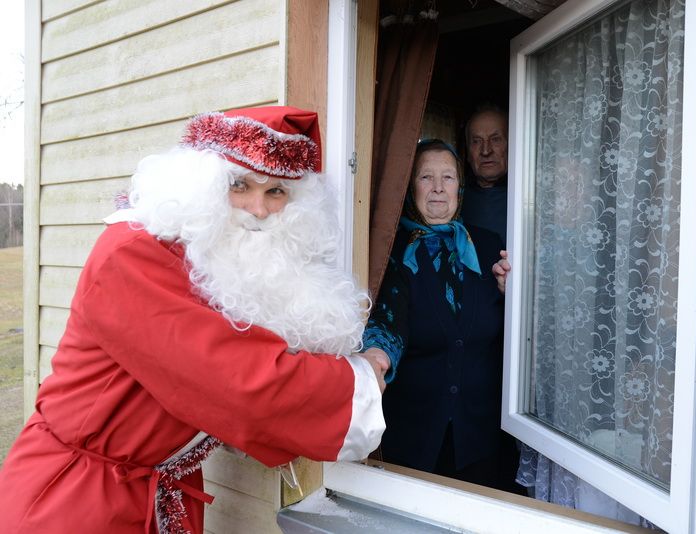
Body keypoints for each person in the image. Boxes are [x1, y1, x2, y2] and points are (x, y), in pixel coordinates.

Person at [0, 106, 388, 534]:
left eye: (276, 192)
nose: (258, 209)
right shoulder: (132, 255)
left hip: (151, 495)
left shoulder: (220, 262)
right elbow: (238, 381)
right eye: (239, 185)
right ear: (199, 185)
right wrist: (360, 380)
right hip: (75, 503)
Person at [361, 139, 520, 494]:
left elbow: (516, 332)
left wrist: (514, 296)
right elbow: (387, 318)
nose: (437, 187)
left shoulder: (486, 246)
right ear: (409, 186)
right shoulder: (390, 251)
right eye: (425, 177)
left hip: (480, 436)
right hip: (413, 436)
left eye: (447, 177)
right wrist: (376, 355)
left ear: (459, 189)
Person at [460, 104, 509, 244]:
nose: (486, 151)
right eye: (476, 141)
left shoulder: (530, 198)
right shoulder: (452, 199)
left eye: (495, 139)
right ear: (468, 153)